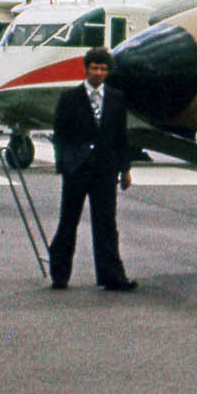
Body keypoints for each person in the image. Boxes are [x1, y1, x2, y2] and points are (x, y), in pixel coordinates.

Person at [48, 47, 137, 291]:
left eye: (103, 68)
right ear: (86, 69)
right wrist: (65, 165)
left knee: (106, 223)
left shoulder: (116, 98)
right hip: (77, 170)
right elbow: (60, 135)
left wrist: (124, 168)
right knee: (68, 222)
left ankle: (112, 276)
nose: (99, 73)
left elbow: (120, 136)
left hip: (105, 171)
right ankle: (59, 273)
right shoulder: (70, 97)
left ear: (108, 71)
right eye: (95, 68)